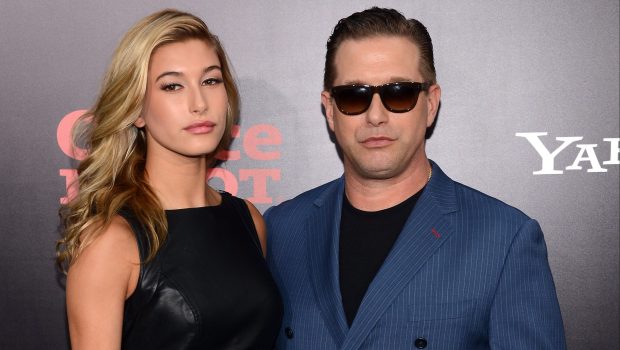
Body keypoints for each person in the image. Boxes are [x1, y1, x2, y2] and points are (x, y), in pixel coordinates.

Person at [265, 7, 566, 349]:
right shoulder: (282, 229)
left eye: (398, 93)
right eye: (353, 96)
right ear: (330, 109)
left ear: (431, 103)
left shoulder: (504, 239)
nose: (375, 116)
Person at [56, 9, 282, 349]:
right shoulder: (112, 243)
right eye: (172, 86)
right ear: (135, 109)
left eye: (210, 80)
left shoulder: (247, 219)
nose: (199, 103)